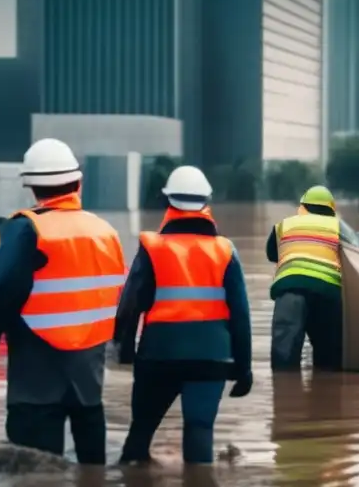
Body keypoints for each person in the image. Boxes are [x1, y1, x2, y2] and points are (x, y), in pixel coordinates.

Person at [0, 138, 125, 464]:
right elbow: (119, 295)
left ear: (31, 186)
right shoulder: (105, 231)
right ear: (78, 182)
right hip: (89, 384)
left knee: (34, 486)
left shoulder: (25, 229)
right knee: (92, 486)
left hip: (36, 380)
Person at [115, 165, 253, 465]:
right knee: (200, 430)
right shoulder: (225, 250)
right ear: (207, 203)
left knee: (140, 436)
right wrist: (243, 368)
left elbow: (130, 304)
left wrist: (124, 351)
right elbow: (241, 316)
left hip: (158, 357)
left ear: (168, 203)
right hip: (211, 359)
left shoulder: (151, 248)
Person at [266, 185, 346, 371]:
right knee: (329, 361)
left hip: (289, 292)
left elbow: (272, 254)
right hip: (328, 293)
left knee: (283, 363)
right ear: (331, 209)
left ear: (303, 207)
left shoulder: (284, 225)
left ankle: (287, 397)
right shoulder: (339, 226)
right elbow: (357, 257)